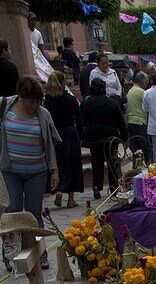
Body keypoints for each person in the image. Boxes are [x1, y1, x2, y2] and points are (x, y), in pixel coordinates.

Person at [0, 76, 59, 269]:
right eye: (30, 100)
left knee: (34, 213)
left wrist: (53, 170)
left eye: (37, 101)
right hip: (10, 170)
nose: (34, 105)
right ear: (20, 96)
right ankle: (11, 255)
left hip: (36, 170)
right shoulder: (4, 107)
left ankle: (40, 254)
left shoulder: (43, 115)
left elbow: (50, 145)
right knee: (12, 212)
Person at [81, 78, 126, 198]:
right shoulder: (111, 102)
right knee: (112, 161)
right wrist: (125, 137)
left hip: (93, 137)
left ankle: (96, 187)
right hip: (110, 137)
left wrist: (83, 135)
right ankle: (113, 187)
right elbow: (120, 121)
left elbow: (82, 120)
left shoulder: (87, 102)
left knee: (96, 162)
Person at [43, 71, 82, 208]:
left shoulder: (47, 100)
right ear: (63, 82)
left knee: (58, 163)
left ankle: (58, 190)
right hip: (69, 133)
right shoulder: (70, 100)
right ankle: (70, 198)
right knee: (72, 164)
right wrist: (81, 135)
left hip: (54, 133)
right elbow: (78, 118)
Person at [126, 71, 150, 162]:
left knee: (135, 148)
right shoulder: (141, 92)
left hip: (130, 121)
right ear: (143, 82)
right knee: (145, 146)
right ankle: (147, 164)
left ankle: (137, 165)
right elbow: (147, 107)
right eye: (146, 84)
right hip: (139, 121)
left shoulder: (130, 90)